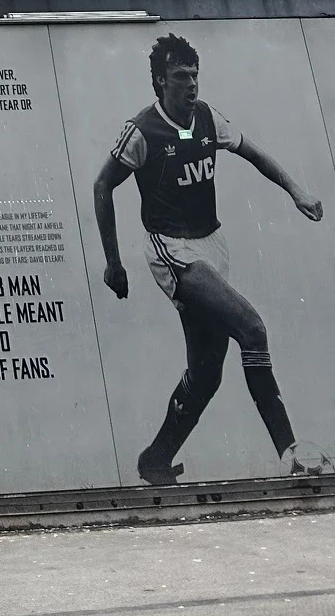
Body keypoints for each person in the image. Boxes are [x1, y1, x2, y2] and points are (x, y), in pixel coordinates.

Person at [94, 33, 330, 485]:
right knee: (252, 328)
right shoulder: (144, 130)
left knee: (206, 374)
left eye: (195, 76)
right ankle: (292, 453)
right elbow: (102, 186)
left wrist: (296, 189)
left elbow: (253, 152)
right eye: (181, 77)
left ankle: (156, 459)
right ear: (161, 81)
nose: (191, 85)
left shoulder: (205, 117)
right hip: (172, 250)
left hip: (211, 245)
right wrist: (113, 261)